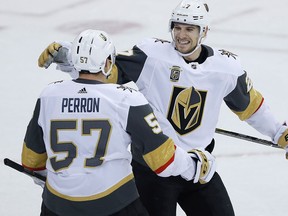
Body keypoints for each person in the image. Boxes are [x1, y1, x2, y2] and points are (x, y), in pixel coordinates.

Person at [37, 0, 288, 215]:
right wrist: (70, 59)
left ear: (204, 31)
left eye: (189, 29)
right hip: (151, 170)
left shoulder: (226, 68)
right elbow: (103, 74)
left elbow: (251, 106)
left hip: (198, 169)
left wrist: (279, 133)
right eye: (177, 27)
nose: (181, 35)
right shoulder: (151, 55)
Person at [22, 29, 216, 216]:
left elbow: (31, 160)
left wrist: (53, 185)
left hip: (57, 206)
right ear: (108, 63)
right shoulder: (127, 99)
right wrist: (194, 165)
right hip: (114, 205)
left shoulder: (49, 95)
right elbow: (162, 160)